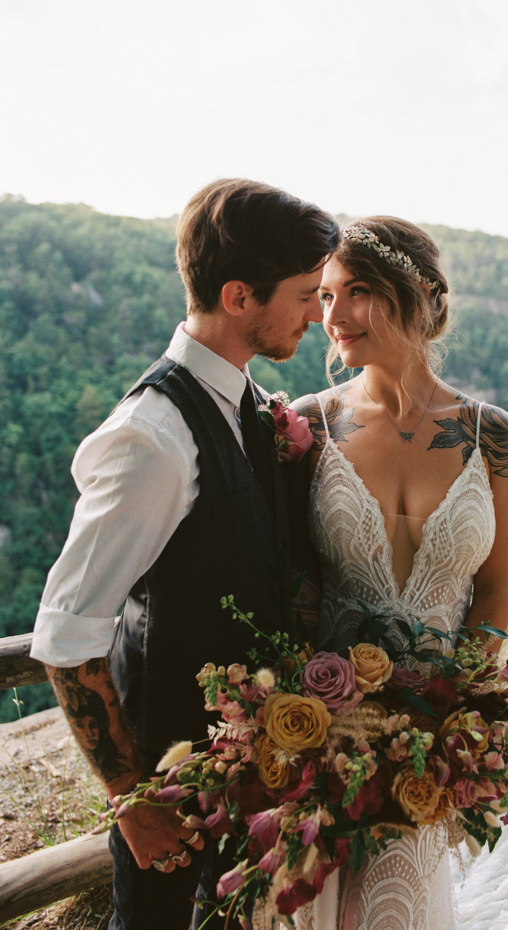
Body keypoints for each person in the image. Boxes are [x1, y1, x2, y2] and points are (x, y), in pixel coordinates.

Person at [291, 218, 508, 930]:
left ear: (416, 294)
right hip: (324, 729)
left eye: (356, 292)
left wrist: (454, 717)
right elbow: (293, 587)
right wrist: (309, 716)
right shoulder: (309, 427)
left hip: (432, 738)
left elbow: (493, 592)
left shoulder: (494, 436)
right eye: (324, 296)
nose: (332, 316)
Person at [29, 178, 338, 930]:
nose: (316, 314)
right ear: (239, 297)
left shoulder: (247, 403)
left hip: (241, 776)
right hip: (169, 792)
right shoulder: (152, 440)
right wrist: (135, 805)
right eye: (304, 294)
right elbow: (66, 638)